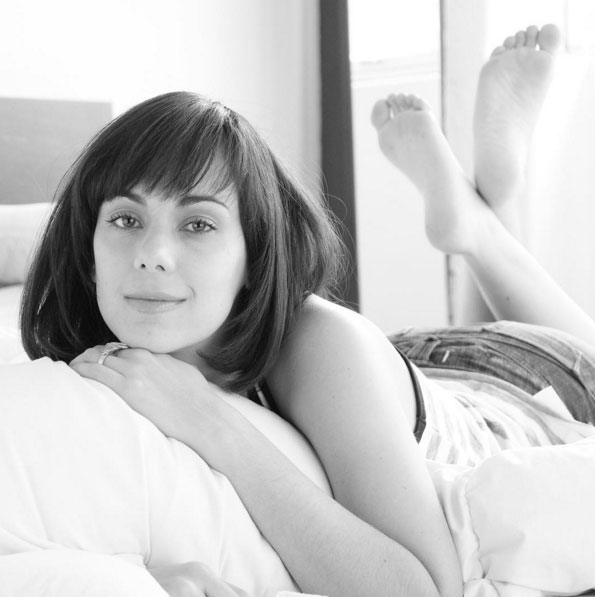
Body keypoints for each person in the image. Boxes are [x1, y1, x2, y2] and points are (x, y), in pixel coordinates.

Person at [17, 21, 593, 597]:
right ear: (88, 252)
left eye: (198, 224)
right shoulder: (88, 366)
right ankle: (478, 217)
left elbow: (423, 589)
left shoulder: (321, 340)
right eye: (125, 219)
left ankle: (482, 227)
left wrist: (210, 419)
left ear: (255, 255)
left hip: (521, 385)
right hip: (408, 369)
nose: (152, 255)